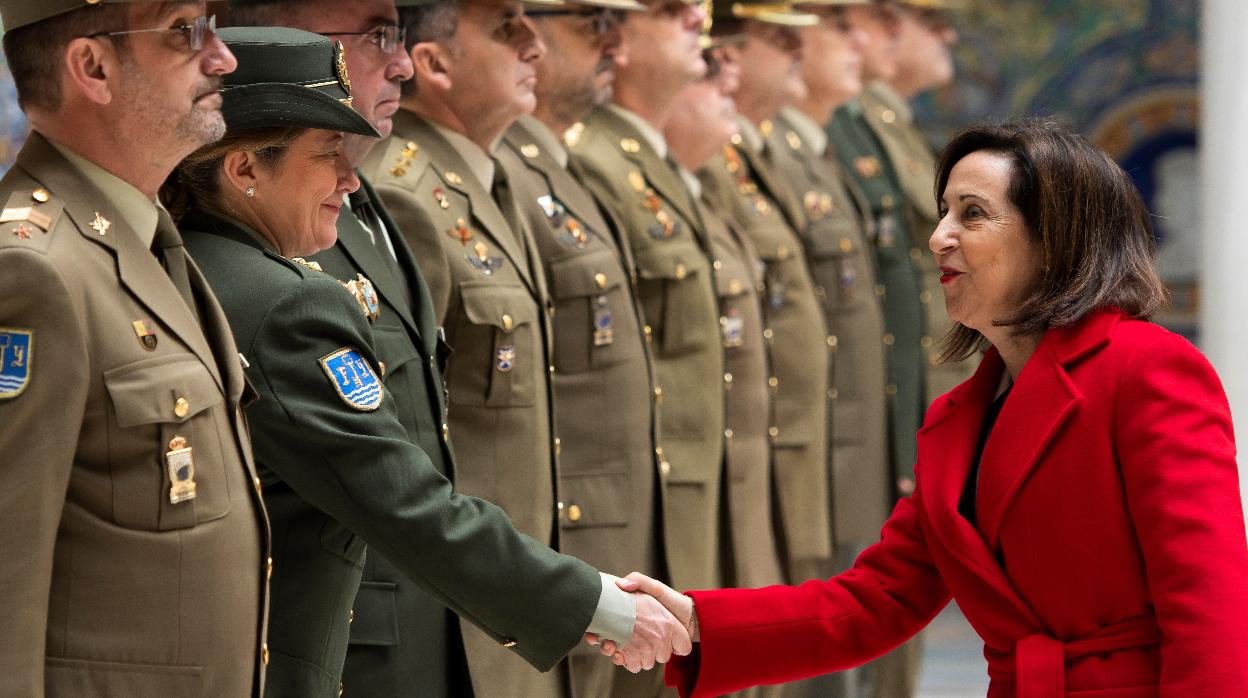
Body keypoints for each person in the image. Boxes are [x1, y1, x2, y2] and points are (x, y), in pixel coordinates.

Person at [611, 119, 1248, 697]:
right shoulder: (955, 421)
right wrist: (698, 620)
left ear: (1055, 238)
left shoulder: (1147, 369)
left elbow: (1211, 609)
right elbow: (878, 600)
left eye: (972, 214)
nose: (939, 235)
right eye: (944, 212)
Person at [170, 26, 689, 698]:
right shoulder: (281, 304)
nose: (351, 177)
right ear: (243, 169)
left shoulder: (191, 263)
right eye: (328, 154)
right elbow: (404, 499)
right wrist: (599, 606)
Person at [0, 2, 269, 694]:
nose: (223, 57)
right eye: (186, 30)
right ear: (92, 67)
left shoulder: (145, 241)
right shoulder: (34, 271)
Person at [492, 1, 674, 695]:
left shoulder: (559, 168)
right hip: (549, 551)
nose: (612, 41)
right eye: (587, 19)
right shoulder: (503, 173)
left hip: (608, 540)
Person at [568, 0, 727, 609]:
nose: (698, 20)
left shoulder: (645, 159)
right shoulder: (595, 159)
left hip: (684, 491)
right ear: (617, 39)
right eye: (671, 9)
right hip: (639, 505)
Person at [762, 2, 900, 694]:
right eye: (836, 25)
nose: (860, 41)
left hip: (843, 443)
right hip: (799, 451)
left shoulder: (817, 153)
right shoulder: (779, 155)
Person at [698, 0, 835, 588]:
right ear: (729, 51)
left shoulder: (758, 152)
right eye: (780, 39)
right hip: (743, 462)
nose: (800, 50)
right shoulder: (713, 161)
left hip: (785, 449)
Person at [859, 0, 972, 402]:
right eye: (931, 20)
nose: (948, 35)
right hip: (903, 388)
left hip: (938, 376)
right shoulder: (856, 124)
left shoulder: (895, 125)